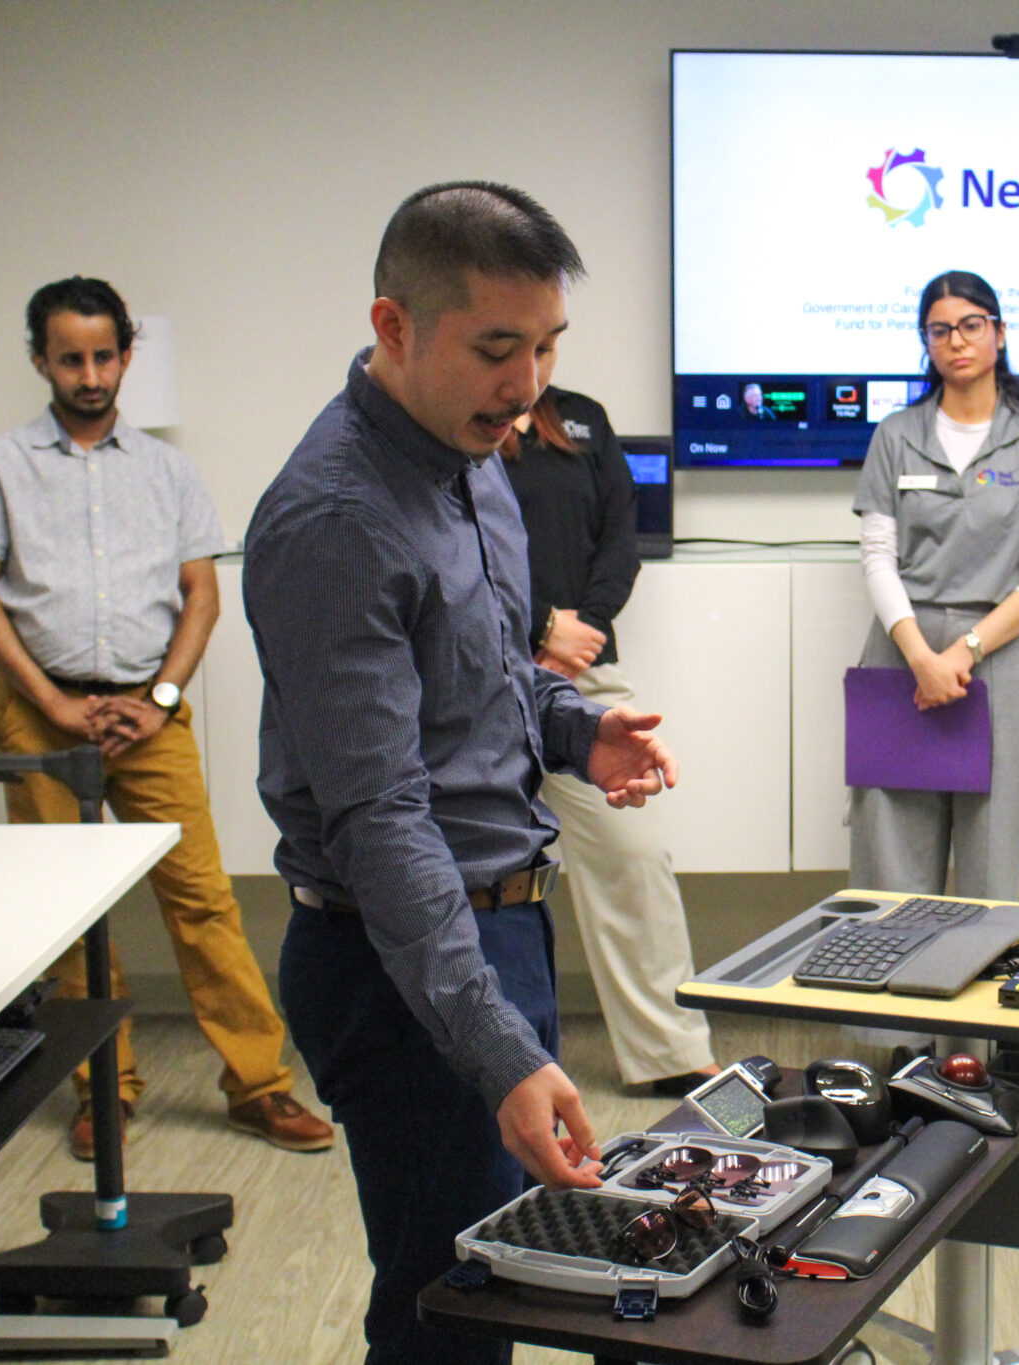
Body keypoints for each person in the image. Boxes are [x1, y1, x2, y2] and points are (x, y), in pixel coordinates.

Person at [244, 181, 677, 1365]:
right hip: (399, 963)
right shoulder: (337, 520)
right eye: (496, 349)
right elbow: (382, 819)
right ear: (393, 328)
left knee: (499, 1284)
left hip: (498, 928)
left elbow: (490, 672)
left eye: (546, 346)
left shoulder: (473, 456)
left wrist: (575, 728)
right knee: (451, 1312)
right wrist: (497, 1052)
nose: (527, 384)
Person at [0, 276, 331, 1161]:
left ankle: (260, 1086)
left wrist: (157, 698)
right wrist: (53, 702)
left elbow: (203, 594)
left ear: (126, 356)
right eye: (69, 358)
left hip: (148, 715)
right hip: (41, 713)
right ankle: (104, 1090)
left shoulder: (169, 471)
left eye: (103, 356)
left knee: (202, 898)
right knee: (68, 912)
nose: (89, 375)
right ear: (40, 360)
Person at [499, 387, 719, 1095]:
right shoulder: (465, 421)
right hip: (477, 671)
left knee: (635, 852)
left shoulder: (584, 419)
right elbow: (456, 548)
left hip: (584, 673)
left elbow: (620, 541)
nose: (534, 359)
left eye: (549, 343)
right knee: (465, 867)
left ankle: (671, 1053)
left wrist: (577, 637)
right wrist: (539, 626)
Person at [850, 270, 1019, 900]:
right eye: (940, 330)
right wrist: (923, 658)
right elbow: (877, 557)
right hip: (901, 658)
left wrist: (963, 652)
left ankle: (980, 965)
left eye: (971, 325)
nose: (956, 341)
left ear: (999, 334)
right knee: (889, 859)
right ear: (926, 342)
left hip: (998, 660)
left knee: (991, 856)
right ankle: (889, 969)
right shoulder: (896, 435)